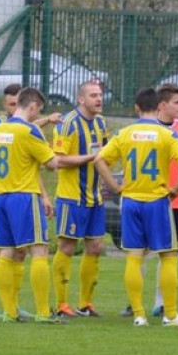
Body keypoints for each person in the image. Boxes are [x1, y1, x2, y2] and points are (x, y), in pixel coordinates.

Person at [93, 87, 178, 328]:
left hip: (130, 201)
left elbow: (99, 160)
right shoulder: (168, 135)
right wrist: (176, 188)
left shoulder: (125, 133)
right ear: (159, 105)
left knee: (135, 256)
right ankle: (171, 315)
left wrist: (117, 188)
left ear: (137, 108)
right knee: (168, 255)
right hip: (157, 201)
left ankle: (139, 315)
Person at [0, 83, 61, 319]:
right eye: (38, 110)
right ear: (33, 106)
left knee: (6, 252)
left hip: (1, 197)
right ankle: (44, 312)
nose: (38, 115)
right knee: (39, 251)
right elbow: (51, 164)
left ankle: (9, 312)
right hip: (24, 196)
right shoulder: (30, 132)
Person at [51, 80, 109, 318]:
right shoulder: (67, 124)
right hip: (71, 197)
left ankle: (85, 303)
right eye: (93, 95)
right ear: (80, 99)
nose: (99, 99)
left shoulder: (101, 123)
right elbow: (57, 160)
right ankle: (61, 304)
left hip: (95, 198)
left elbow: (104, 154)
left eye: (100, 95)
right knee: (67, 246)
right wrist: (90, 157)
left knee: (95, 246)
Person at [145, 83, 178, 318]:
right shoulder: (146, 129)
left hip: (175, 202)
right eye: (177, 102)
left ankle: (161, 302)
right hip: (148, 198)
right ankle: (133, 302)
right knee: (141, 251)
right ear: (162, 105)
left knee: (168, 253)